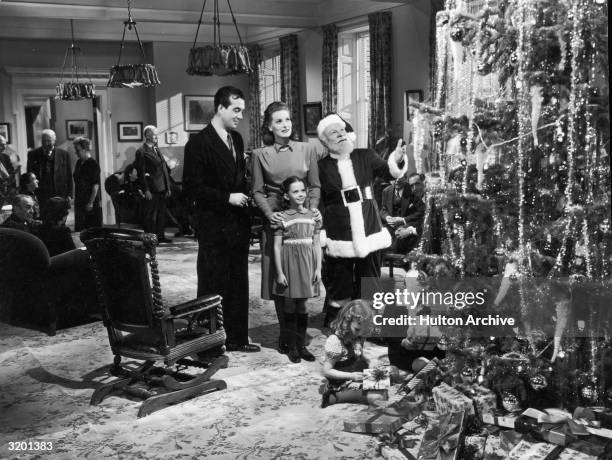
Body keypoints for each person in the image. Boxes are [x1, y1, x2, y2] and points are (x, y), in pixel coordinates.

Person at [183, 85, 260, 353]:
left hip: (238, 225)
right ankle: (209, 343)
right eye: (236, 110)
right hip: (214, 225)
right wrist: (227, 197)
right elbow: (193, 188)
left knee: (238, 282)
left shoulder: (236, 139)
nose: (240, 115)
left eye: (242, 111)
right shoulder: (198, 142)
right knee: (213, 282)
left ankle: (238, 338)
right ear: (220, 108)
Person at [317, 114, 407, 325]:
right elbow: (319, 200)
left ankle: (370, 323)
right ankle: (340, 322)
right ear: (325, 140)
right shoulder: (321, 167)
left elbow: (389, 173)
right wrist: (321, 233)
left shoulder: (365, 155)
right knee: (341, 280)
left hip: (369, 226)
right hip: (339, 229)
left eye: (341, 131)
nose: (340, 135)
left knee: (370, 279)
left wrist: (398, 159)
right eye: (333, 133)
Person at [251, 101, 321, 353]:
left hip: (303, 217)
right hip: (277, 218)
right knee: (280, 279)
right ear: (269, 126)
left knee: (303, 275)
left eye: (288, 120)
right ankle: (285, 334)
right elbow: (257, 190)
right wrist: (270, 215)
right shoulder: (260, 154)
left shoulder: (307, 149)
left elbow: (314, 185)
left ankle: (299, 340)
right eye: (278, 121)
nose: (285, 125)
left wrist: (312, 209)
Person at [273, 176, 322, 363]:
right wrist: (279, 272)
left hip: (307, 264)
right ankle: (290, 346)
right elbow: (277, 246)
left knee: (303, 305)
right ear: (286, 196)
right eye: (295, 191)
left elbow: (316, 244)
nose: (300, 194)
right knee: (289, 304)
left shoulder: (313, 216)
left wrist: (318, 268)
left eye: (302, 190)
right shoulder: (282, 217)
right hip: (289, 264)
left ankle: (301, 346)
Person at [320, 300, 387, 407]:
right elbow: (327, 371)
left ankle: (372, 397)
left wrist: (370, 362)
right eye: (357, 329)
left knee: (386, 377)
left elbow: (357, 355)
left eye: (363, 330)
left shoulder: (357, 336)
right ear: (347, 321)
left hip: (353, 377)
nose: (360, 333)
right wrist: (351, 376)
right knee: (376, 396)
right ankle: (331, 398)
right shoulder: (335, 341)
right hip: (340, 385)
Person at [134, 125, 172, 243]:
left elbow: (164, 169)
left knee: (161, 214)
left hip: (162, 188)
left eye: (156, 133)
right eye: (154, 134)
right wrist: (146, 190)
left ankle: (160, 237)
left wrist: (168, 187)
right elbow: (141, 173)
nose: (156, 136)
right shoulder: (141, 152)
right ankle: (150, 239)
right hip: (152, 189)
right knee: (150, 216)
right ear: (147, 136)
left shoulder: (157, 149)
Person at [380, 172, 426, 254]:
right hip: (391, 225)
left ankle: (397, 260)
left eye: (399, 177)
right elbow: (383, 210)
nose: (397, 180)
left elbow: (420, 213)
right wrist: (387, 218)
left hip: (408, 224)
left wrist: (403, 221)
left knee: (400, 238)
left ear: (404, 178)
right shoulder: (386, 191)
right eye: (394, 178)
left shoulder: (412, 190)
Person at [27, 129, 74, 206]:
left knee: (60, 216)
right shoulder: (32, 154)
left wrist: (70, 194)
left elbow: (69, 175)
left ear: (54, 140)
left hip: (60, 194)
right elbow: (29, 175)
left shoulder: (64, 154)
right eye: (43, 141)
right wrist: (31, 194)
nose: (46, 143)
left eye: (48, 141)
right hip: (41, 195)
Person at [72, 137, 102, 231]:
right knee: (80, 227)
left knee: (91, 227)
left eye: (78, 150)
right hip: (79, 199)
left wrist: (91, 202)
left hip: (89, 200)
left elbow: (96, 185)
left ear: (85, 149)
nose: (76, 153)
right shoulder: (79, 162)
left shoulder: (93, 164)